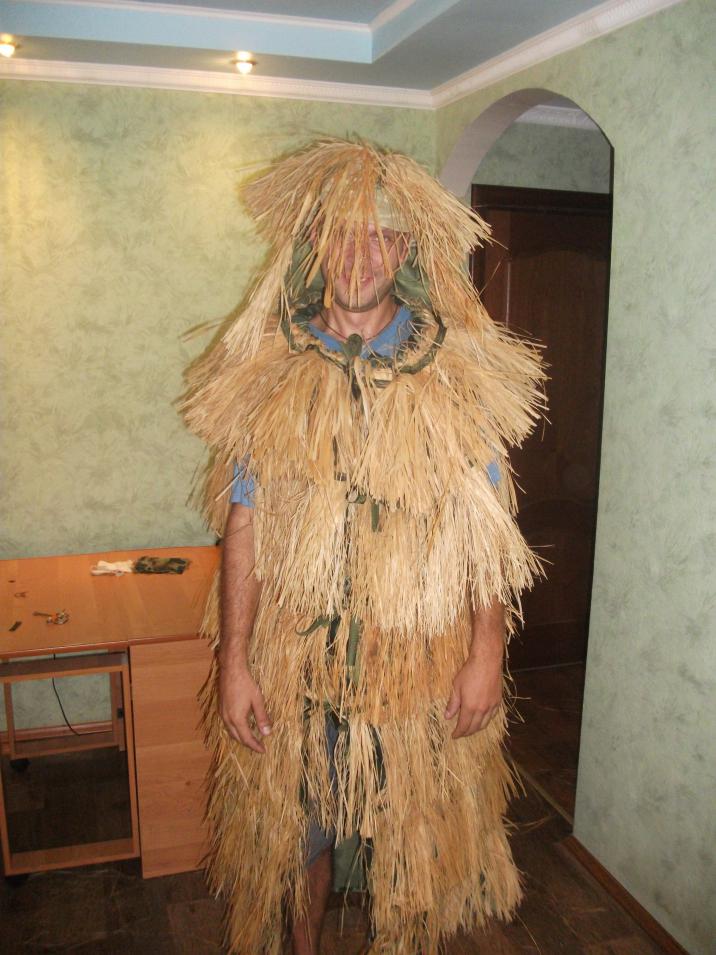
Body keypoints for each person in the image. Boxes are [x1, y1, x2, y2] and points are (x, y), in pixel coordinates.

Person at [182, 139, 546, 955]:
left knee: (415, 843)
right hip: (296, 666)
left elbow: (488, 535)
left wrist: (487, 650)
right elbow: (244, 526)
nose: (358, 253)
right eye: (340, 234)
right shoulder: (266, 375)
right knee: (295, 839)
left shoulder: (458, 376)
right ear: (312, 244)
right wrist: (234, 659)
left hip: (420, 666)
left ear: (407, 247)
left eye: (379, 235)